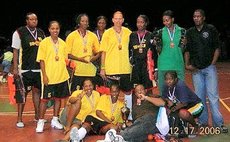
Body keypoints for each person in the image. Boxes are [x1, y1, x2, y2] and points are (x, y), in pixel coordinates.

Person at [184, 9, 228, 133]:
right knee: (200, 98)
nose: (196, 18)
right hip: (196, 70)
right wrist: (187, 65)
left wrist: (213, 63)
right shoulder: (190, 32)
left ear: (203, 18)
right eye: (194, 16)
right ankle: (203, 122)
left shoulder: (211, 29)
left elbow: (217, 47)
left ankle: (218, 124)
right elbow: (187, 50)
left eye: (198, 16)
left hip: (209, 69)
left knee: (213, 96)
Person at [11, 12, 46, 128]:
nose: (34, 21)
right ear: (27, 21)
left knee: (37, 93)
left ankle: (37, 116)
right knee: (22, 94)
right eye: (31, 19)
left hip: (38, 69)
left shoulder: (41, 32)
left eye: (35, 19)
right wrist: (15, 68)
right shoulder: (19, 32)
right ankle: (19, 119)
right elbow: (15, 51)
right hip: (24, 69)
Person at [35, 21, 70, 133]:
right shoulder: (44, 43)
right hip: (49, 77)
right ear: (49, 29)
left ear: (59, 29)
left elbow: (65, 60)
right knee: (44, 100)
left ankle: (55, 119)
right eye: (53, 28)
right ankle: (40, 121)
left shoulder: (63, 43)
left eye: (57, 28)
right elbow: (42, 61)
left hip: (62, 76)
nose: (55, 30)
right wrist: (44, 76)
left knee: (58, 99)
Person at [99, 10, 132, 120]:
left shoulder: (128, 32)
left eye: (120, 18)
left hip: (125, 68)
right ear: (113, 20)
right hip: (111, 69)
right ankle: (109, 116)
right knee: (112, 94)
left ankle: (128, 115)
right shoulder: (107, 33)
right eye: (116, 18)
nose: (118, 20)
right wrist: (102, 68)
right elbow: (103, 52)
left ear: (123, 20)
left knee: (128, 92)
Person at [65, 13, 100, 92]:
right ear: (78, 23)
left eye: (86, 21)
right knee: (76, 95)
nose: (85, 23)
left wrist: (93, 58)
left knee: (91, 95)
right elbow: (68, 54)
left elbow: (99, 52)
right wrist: (81, 59)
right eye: (83, 21)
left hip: (90, 71)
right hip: (77, 71)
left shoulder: (93, 36)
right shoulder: (71, 36)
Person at [162, 71, 203, 135]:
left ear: (175, 79)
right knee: (166, 110)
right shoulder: (166, 85)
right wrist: (168, 100)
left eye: (170, 79)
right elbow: (164, 97)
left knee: (183, 113)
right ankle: (184, 126)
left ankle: (195, 125)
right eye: (166, 79)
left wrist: (173, 109)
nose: (168, 81)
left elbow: (184, 103)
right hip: (182, 106)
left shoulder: (180, 85)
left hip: (195, 105)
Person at [154, 10, 186, 95]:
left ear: (172, 19)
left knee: (180, 91)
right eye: (164, 21)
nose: (165, 22)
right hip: (164, 66)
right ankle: (164, 109)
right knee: (163, 93)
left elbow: (185, 49)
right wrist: (156, 44)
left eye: (167, 20)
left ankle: (178, 108)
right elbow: (156, 51)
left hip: (178, 65)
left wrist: (186, 44)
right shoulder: (159, 33)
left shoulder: (182, 31)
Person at [129, 14, 158, 93]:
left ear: (146, 23)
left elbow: (155, 54)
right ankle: (136, 105)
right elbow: (129, 50)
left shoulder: (150, 35)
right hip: (136, 66)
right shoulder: (132, 35)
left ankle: (148, 105)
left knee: (148, 89)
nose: (140, 24)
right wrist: (131, 60)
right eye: (138, 22)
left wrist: (155, 69)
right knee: (135, 89)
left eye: (142, 22)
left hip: (147, 66)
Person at [93, 15, 107, 87]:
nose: (101, 25)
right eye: (100, 23)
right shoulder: (93, 35)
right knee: (97, 84)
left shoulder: (109, 33)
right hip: (95, 62)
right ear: (97, 23)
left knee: (106, 84)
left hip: (107, 61)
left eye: (103, 23)